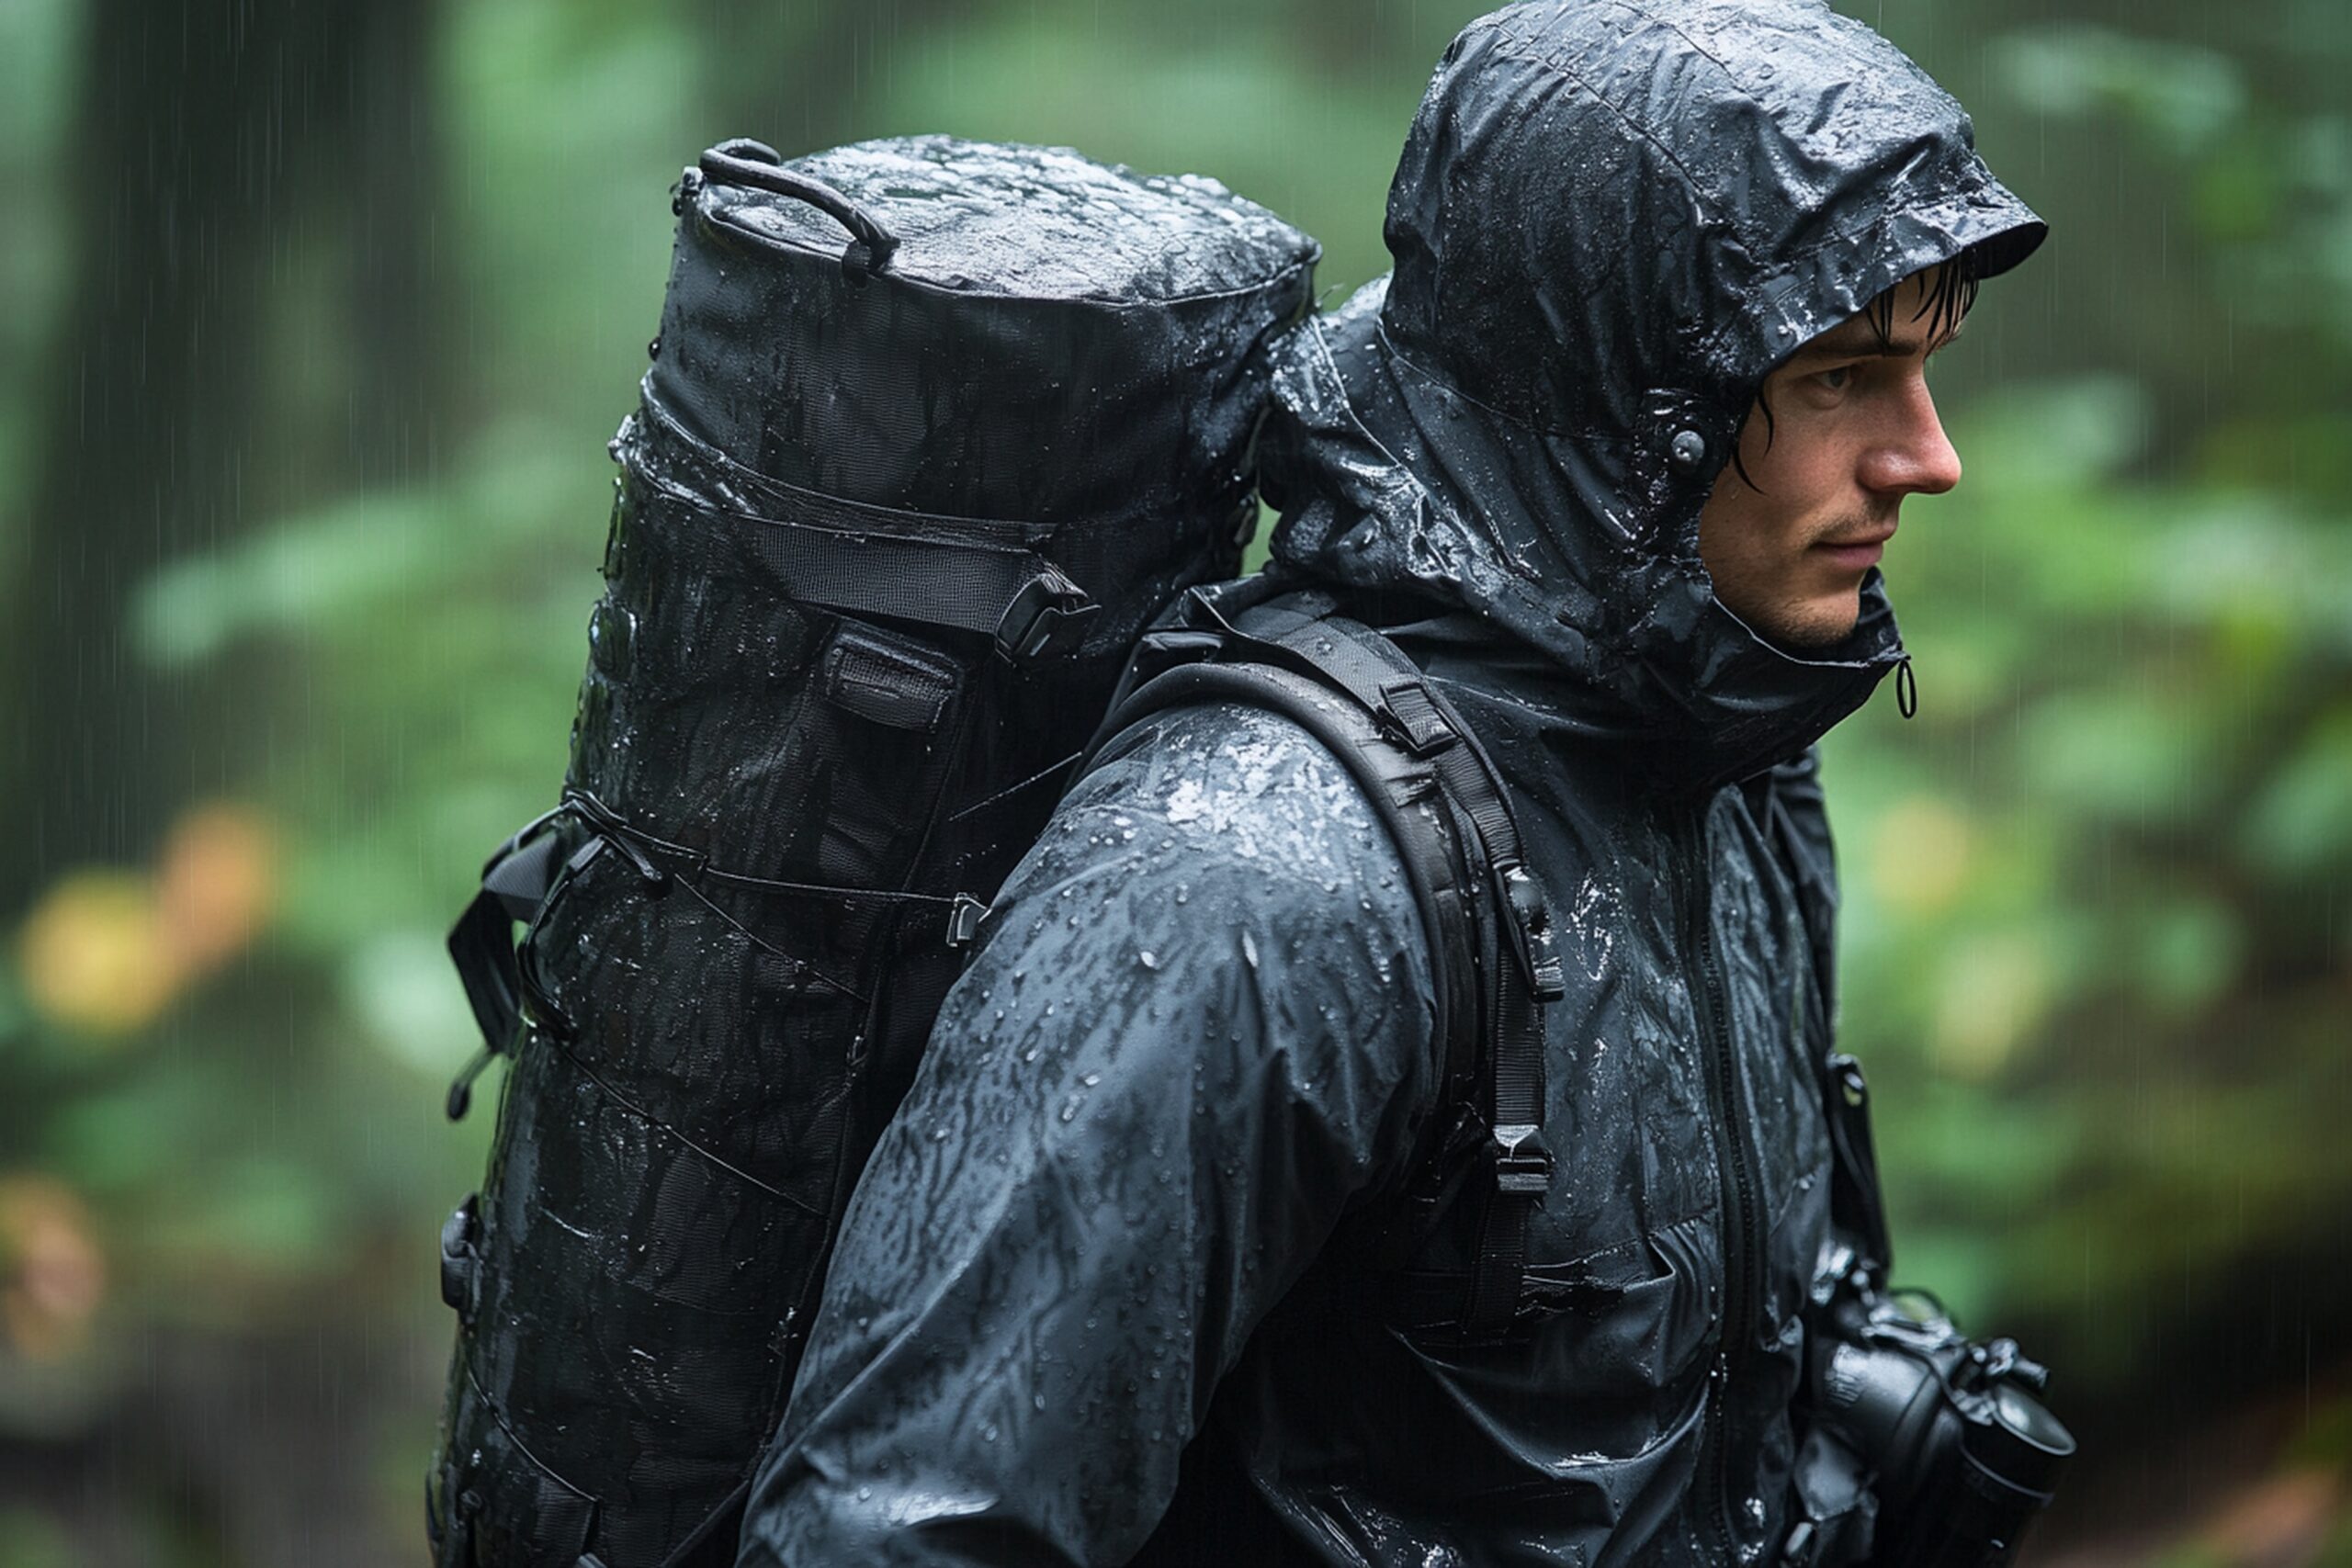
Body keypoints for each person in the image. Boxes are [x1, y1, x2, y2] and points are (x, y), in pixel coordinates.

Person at [734, 1, 2045, 1562]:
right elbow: (901, 1532)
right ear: (1621, 400)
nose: (1929, 453)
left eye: (1920, 369)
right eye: (1840, 378)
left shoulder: (1731, 748)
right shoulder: (1255, 880)